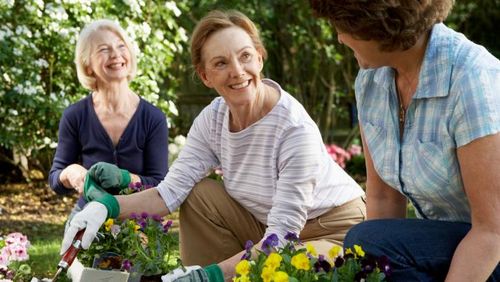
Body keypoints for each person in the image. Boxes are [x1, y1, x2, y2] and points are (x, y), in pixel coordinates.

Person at [61, 10, 366, 281]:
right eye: (221, 63)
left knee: (290, 268)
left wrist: (210, 275)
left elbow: (282, 239)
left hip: (334, 229)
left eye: (245, 56)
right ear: (205, 76)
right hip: (266, 226)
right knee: (197, 192)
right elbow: (170, 193)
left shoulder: (294, 129)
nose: (237, 70)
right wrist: (105, 207)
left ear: (259, 57)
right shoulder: (213, 120)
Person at [309, 0, 500, 281]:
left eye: (342, 24)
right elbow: (383, 197)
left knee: (369, 241)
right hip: (451, 245)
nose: (338, 36)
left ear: (375, 24)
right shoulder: (370, 81)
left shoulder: (471, 77)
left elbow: (492, 230)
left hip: (490, 246)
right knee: (368, 249)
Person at [48, 19, 168, 224]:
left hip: (138, 220)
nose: (116, 55)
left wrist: (125, 178)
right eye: (104, 49)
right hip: (88, 215)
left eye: (121, 46)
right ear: (88, 66)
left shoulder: (153, 118)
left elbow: (160, 185)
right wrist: (71, 173)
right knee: (72, 255)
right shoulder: (75, 116)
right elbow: (55, 179)